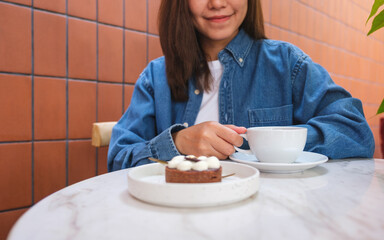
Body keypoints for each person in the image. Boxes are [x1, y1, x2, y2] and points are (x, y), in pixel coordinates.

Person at [108, 0, 375, 171]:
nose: (217, 3)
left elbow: (355, 131)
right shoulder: (156, 77)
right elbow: (118, 157)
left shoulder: (287, 63)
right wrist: (177, 143)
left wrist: (269, 143)